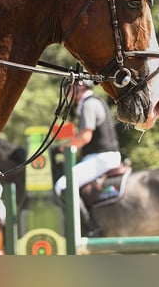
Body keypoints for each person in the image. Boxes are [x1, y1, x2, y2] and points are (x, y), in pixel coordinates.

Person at [53, 79, 121, 236]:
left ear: (80, 86)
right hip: (101, 156)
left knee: (63, 185)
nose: (68, 94)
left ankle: (90, 229)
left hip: (100, 157)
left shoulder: (89, 104)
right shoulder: (94, 101)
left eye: (70, 89)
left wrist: (61, 148)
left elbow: (84, 137)